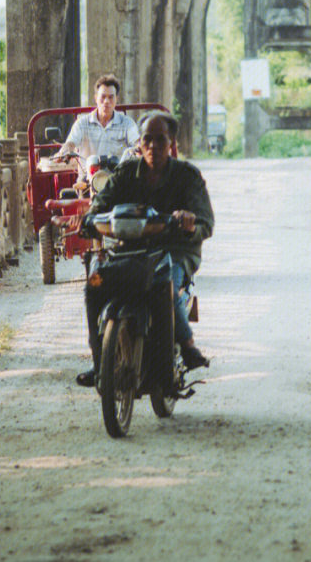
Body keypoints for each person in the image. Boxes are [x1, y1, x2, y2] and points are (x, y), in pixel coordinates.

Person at [76, 110, 214, 387]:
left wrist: (189, 223)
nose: (153, 147)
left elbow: (205, 223)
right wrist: (89, 219)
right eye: (147, 140)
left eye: (160, 140)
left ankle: (186, 345)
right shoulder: (126, 172)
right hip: (128, 249)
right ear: (139, 144)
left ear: (172, 143)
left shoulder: (188, 176)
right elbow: (101, 203)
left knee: (165, 285)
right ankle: (99, 362)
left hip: (174, 251)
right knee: (94, 284)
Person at [52, 74, 138, 164]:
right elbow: (71, 142)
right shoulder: (82, 123)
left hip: (118, 175)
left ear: (117, 99)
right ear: (96, 98)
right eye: (103, 97)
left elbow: (136, 141)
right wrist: (63, 152)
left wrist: (139, 147)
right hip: (88, 176)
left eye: (111, 97)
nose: (106, 101)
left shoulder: (127, 123)